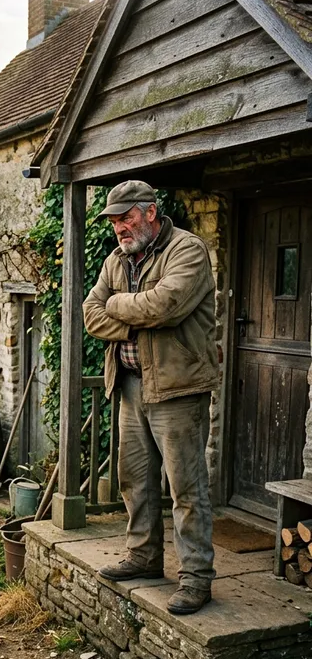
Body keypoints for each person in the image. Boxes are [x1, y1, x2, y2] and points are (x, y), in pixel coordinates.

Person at [83, 180, 219, 615]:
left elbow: (166, 305)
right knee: (135, 480)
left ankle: (196, 578)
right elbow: (90, 313)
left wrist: (119, 304)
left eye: (126, 217)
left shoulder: (187, 250)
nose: (120, 227)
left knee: (186, 487)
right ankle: (143, 557)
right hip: (130, 384)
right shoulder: (115, 260)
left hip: (178, 388)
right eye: (115, 221)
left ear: (150, 213)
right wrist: (132, 318)